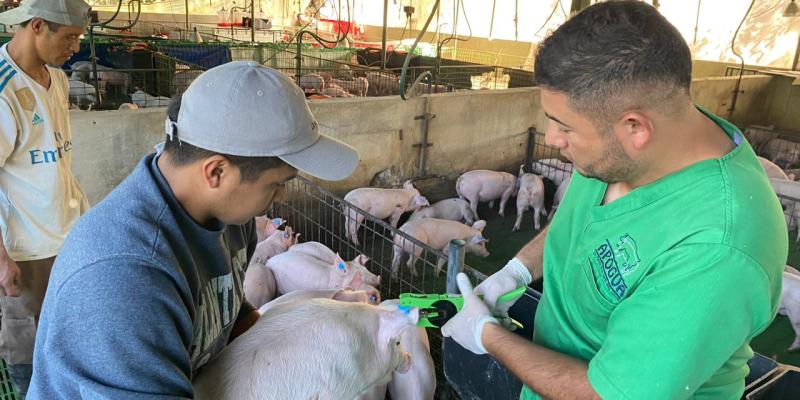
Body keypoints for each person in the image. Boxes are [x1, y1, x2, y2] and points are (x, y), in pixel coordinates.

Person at [442, 2, 787, 399]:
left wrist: (487, 337)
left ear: (635, 127)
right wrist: (517, 271)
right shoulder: (626, 152)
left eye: (565, 126)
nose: (553, 139)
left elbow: (609, 393)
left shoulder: (719, 248)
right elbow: (580, 222)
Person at [28, 61, 358, 398]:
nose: (282, 196)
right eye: (277, 184)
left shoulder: (229, 218)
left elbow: (230, 319)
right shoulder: (124, 275)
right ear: (216, 172)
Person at [0, 0, 91, 397]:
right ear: (37, 26)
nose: (75, 47)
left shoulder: (59, 79)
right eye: (69, 37)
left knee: (74, 330)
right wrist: (2, 258)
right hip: (26, 246)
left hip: (69, 232)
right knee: (28, 343)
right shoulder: (4, 89)